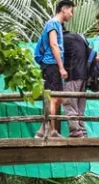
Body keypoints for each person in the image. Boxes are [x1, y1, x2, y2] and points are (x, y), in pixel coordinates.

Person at [33, 0, 75, 138]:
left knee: (57, 99)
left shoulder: (57, 24)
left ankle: (44, 129)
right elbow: (53, 45)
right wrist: (61, 67)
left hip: (53, 65)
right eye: (71, 11)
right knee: (53, 99)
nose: (71, 14)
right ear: (64, 9)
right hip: (51, 65)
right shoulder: (52, 23)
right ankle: (48, 130)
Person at [63, 27, 92, 138]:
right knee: (80, 107)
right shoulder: (79, 37)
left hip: (72, 75)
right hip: (84, 76)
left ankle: (76, 133)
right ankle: (83, 133)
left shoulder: (63, 39)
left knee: (69, 104)